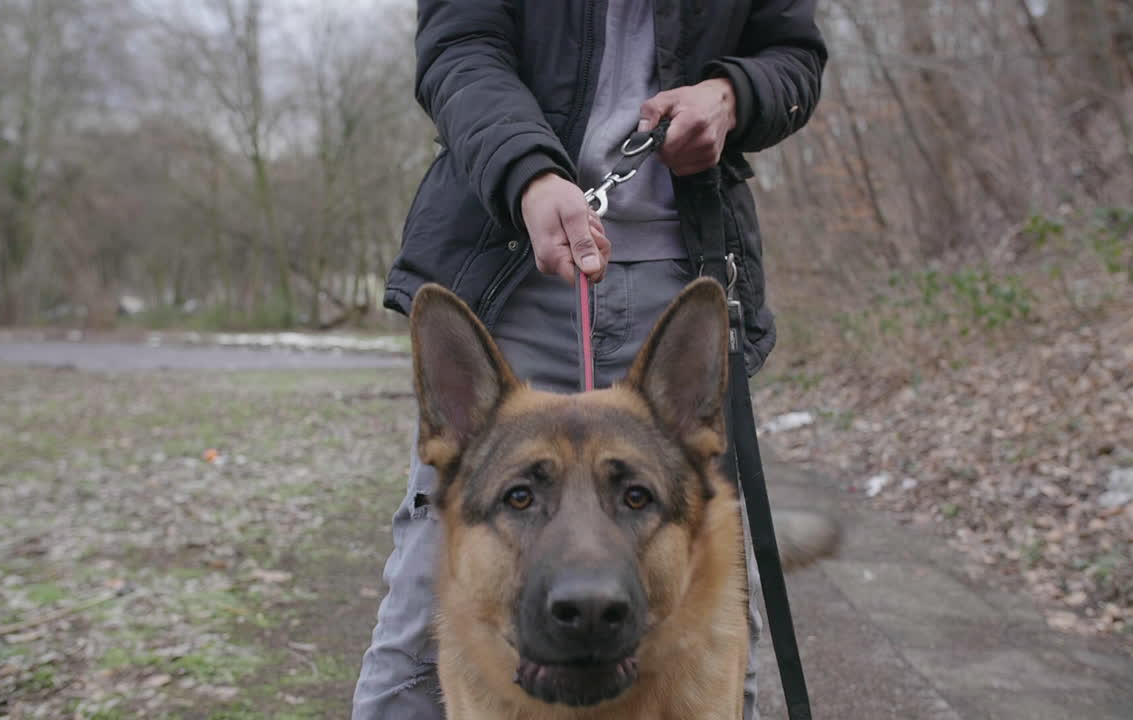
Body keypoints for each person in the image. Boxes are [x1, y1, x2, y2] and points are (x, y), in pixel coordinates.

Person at [352, 1, 826, 718]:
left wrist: (730, 95)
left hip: (686, 265)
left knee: (713, 623)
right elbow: (459, 45)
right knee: (424, 610)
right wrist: (528, 172)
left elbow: (792, 53)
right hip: (509, 255)